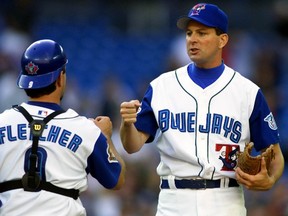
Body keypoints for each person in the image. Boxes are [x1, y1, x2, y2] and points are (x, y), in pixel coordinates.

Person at [119, 3, 284, 216]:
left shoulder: (247, 92)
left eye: (202, 33)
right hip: (174, 200)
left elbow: (276, 155)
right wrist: (127, 124)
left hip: (225, 200)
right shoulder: (162, 86)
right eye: (189, 33)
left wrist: (269, 180)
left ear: (222, 40)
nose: (192, 39)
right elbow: (132, 145)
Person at [0, 39, 126, 216]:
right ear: (60, 77)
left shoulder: (2, 122)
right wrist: (105, 137)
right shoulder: (85, 129)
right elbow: (116, 180)